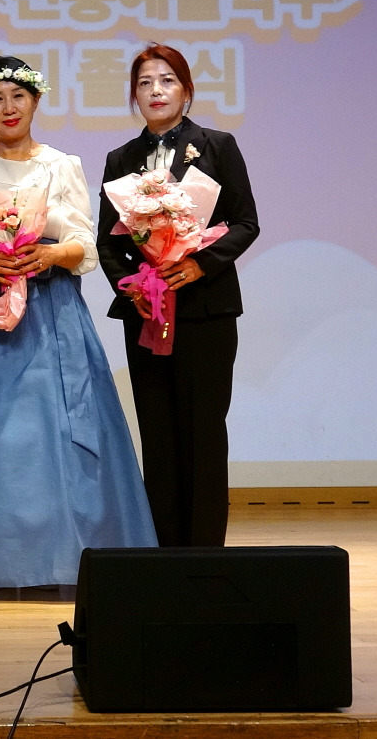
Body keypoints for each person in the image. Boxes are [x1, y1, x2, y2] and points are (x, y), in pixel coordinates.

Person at [0, 56, 156, 590]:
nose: (9, 108)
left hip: (51, 310)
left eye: (18, 96)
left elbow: (85, 244)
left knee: (55, 434)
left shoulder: (63, 165)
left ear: (36, 101)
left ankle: (62, 557)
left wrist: (52, 254)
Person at [97, 43, 260, 547]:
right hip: (146, 313)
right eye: (145, 83)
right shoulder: (121, 159)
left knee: (203, 431)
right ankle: (163, 551)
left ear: (186, 90)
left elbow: (246, 223)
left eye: (167, 80)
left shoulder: (217, 145)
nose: (156, 91)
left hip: (205, 310)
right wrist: (132, 287)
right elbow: (107, 243)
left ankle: (205, 551)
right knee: (158, 432)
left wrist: (198, 263)